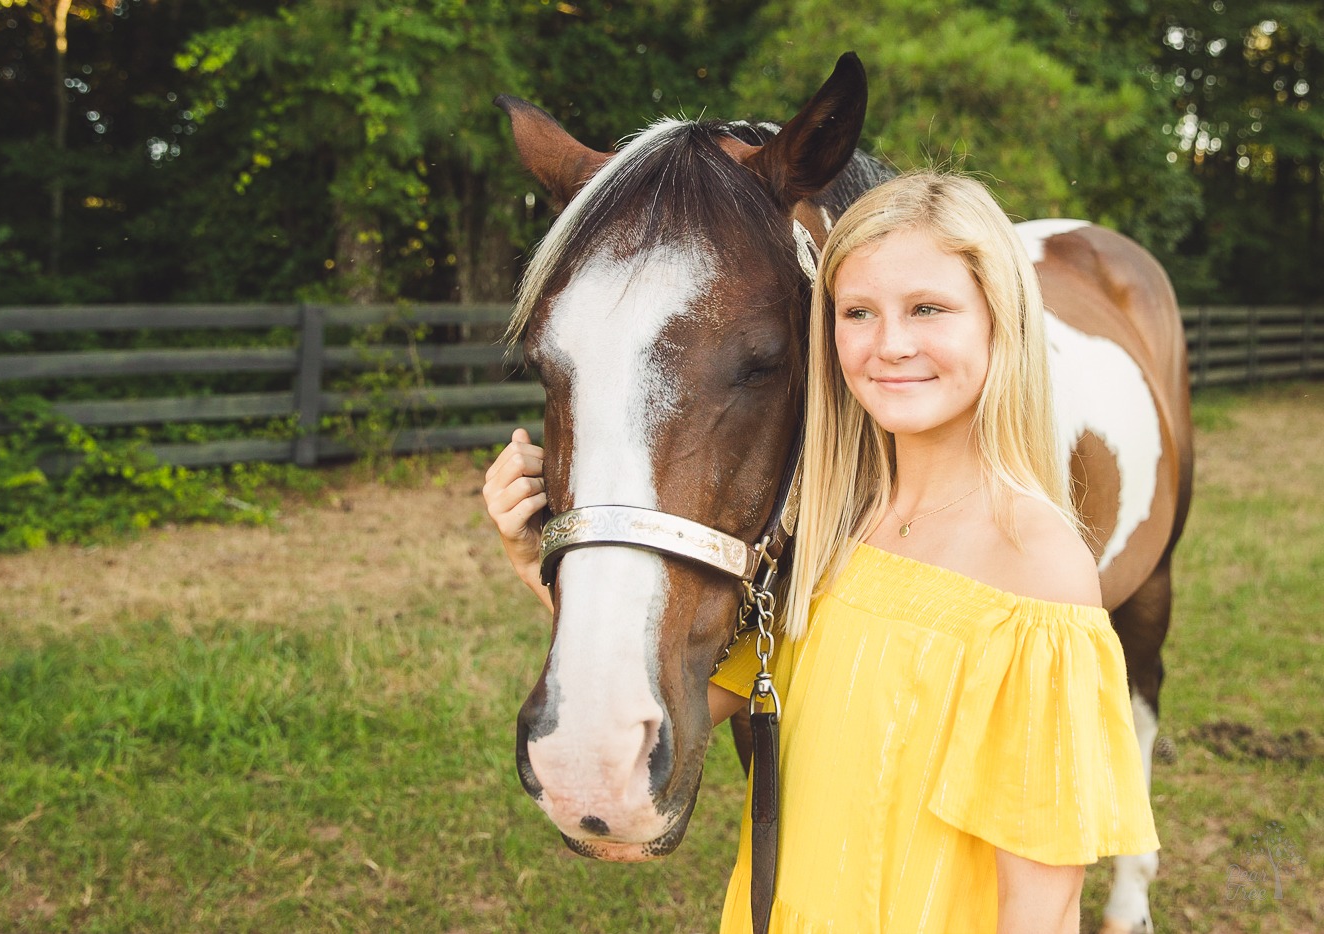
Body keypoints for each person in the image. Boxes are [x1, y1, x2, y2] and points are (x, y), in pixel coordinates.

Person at [482, 171, 1157, 933]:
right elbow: (694, 695)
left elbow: (1044, 901)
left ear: (1000, 321)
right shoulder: (828, 535)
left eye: (928, 309)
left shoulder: (1033, 567)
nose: (890, 344)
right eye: (858, 312)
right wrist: (525, 560)